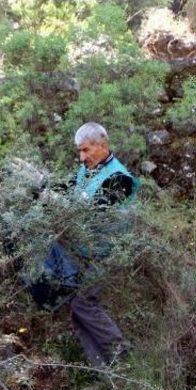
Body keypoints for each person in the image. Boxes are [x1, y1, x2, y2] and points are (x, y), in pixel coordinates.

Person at [31, 122, 138, 367]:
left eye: (86, 150)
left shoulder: (120, 178)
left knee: (84, 303)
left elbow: (92, 212)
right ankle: (104, 371)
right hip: (89, 253)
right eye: (79, 151)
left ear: (102, 146)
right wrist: (41, 185)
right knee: (76, 308)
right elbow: (65, 189)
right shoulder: (86, 170)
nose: (82, 157)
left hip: (110, 254)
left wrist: (53, 198)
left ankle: (122, 358)